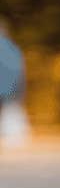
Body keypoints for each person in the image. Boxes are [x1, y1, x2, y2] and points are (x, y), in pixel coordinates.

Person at [0, 20, 27, 150]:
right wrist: (20, 91)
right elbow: (20, 72)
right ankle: (12, 141)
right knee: (10, 115)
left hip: (5, 88)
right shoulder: (14, 49)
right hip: (11, 90)